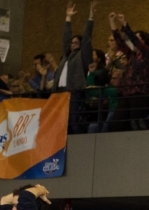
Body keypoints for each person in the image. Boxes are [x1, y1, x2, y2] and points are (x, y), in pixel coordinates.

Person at [108, 12, 149, 132]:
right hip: (126, 92)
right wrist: (112, 22)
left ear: (144, 42)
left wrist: (124, 23)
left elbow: (134, 40)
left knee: (136, 124)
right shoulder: (131, 54)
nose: (133, 41)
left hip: (139, 92)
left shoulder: (147, 53)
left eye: (138, 38)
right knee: (117, 124)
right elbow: (120, 42)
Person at [53, 1, 96, 134]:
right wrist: (68, 18)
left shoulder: (82, 56)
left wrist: (90, 17)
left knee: (74, 121)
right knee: (59, 123)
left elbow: (87, 39)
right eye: (72, 43)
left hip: (74, 92)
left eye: (76, 43)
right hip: (59, 93)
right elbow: (66, 38)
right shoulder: (66, 56)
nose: (72, 44)